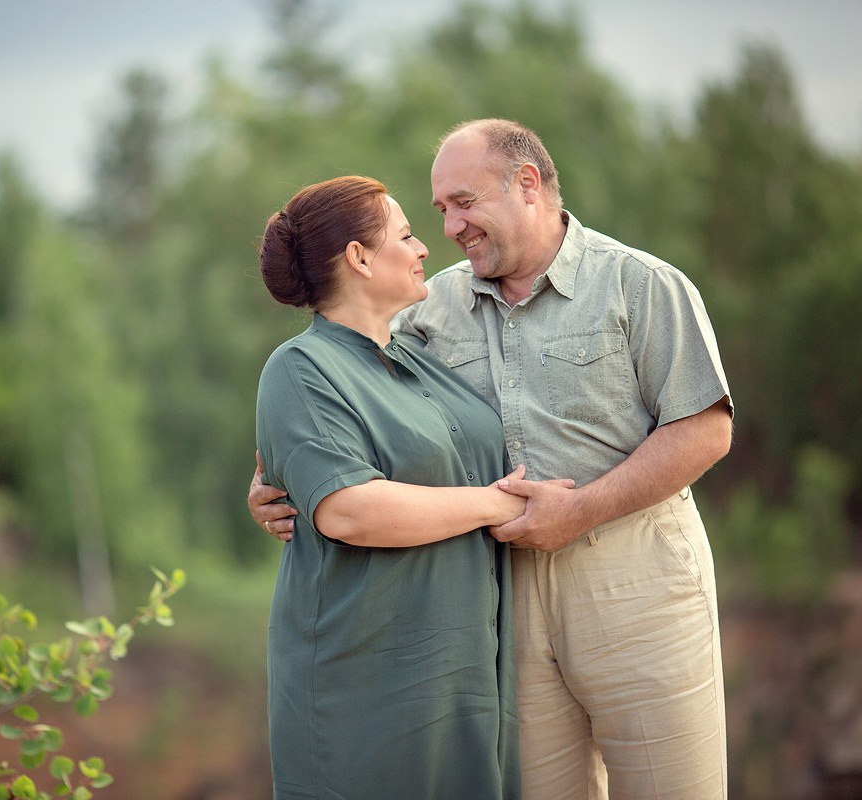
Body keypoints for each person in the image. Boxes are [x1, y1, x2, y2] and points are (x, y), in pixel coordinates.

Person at [250, 120, 734, 800]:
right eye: (438, 209)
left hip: (634, 579)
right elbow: (342, 388)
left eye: (462, 202)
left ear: (527, 186)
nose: (447, 226)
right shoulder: (431, 305)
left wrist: (582, 509)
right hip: (506, 598)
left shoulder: (641, 284)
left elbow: (705, 430)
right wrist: (275, 477)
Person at [255, 175, 538, 799]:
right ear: (358, 258)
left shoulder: (415, 357)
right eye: (407, 235)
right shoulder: (299, 369)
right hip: (365, 685)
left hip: (464, 673)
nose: (424, 249)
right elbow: (350, 510)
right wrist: (493, 503)